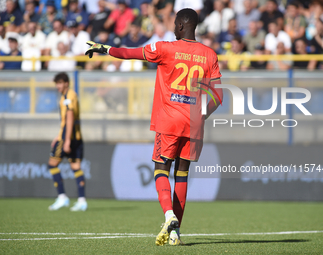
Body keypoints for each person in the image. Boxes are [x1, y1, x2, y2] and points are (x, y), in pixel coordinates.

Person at [85, 8, 223, 245]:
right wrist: (201, 114)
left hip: (169, 120)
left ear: (180, 25)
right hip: (194, 123)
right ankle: (175, 233)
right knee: (182, 175)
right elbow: (218, 96)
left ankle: (168, 215)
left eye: (174, 23)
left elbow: (130, 54)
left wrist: (104, 48)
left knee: (161, 169)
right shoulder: (209, 54)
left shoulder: (165, 48)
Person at [48, 72, 87, 212]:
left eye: (60, 83)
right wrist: (58, 136)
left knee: (52, 164)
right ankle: (82, 201)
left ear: (66, 83)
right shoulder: (68, 96)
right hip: (74, 136)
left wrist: (66, 140)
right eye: (56, 83)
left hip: (68, 137)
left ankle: (62, 197)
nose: (58, 86)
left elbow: (69, 118)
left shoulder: (68, 96)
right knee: (76, 166)